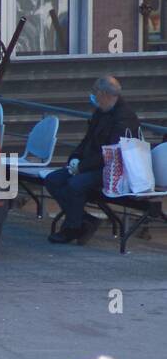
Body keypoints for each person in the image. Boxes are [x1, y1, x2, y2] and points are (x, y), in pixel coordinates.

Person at [44, 76, 140, 245]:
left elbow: (112, 153)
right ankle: (85, 221)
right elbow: (87, 140)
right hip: (90, 165)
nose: (93, 96)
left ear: (103, 94)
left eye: (95, 93)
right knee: (53, 180)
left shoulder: (124, 117)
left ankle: (72, 228)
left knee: (75, 185)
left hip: (111, 170)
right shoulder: (101, 112)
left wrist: (81, 167)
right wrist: (74, 158)